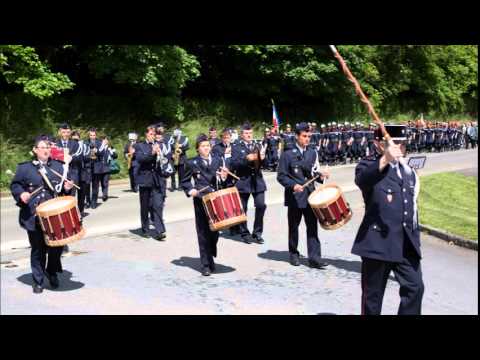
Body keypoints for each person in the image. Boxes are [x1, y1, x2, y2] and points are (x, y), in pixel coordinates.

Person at [353, 124, 424, 315]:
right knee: (372, 298)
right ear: (378, 144)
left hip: (405, 244)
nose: (399, 147)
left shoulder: (408, 171)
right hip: (378, 243)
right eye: (394, 143)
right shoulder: (370, 165)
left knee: (415, 288)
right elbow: (362, 180)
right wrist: (385, 159)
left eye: (402, 143)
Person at [10, 135, 75, 293]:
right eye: (43, 147)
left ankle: (51, 271)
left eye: (48, 147)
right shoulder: (25, 168)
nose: (46, 150)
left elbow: (65, 187)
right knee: (38, 249)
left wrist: (68, 187)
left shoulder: (59, 167)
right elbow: (16, 185)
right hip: (34, 215)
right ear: (35, 150)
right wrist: (21, 194)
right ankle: (38, 280)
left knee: (56, 248)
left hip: (54, 215)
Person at [277, 123, 330, 268]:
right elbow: (281, 176)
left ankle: (315, 258)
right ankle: (293, 254)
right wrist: (293, 185)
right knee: (294, 227)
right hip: (294, 196)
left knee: (312, 227)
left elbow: (314, 173)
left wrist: (322, 176)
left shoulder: (312, 152)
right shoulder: (287, 154)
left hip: (310, 196)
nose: (307, 139)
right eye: (304, 136)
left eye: (309, 136)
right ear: (297, 136)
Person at [181, 134, 232, 276]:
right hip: (201, 200)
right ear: (198, 149)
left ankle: (210, 254)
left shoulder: (217, 160)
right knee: (203, 232)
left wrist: (223, 177)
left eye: (208, 146)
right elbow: (184, 181)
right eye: (203, 146)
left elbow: (222, 180)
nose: (206, 148)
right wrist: (190, 190)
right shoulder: (192, 163)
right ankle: (206, 264)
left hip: (215, 199)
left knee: (215, 232)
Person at [231, 123, 267, 244]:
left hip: (257, 180)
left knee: (261, 205)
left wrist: (263, 159)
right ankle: (244, 233)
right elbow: (234, 164)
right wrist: (246, 159)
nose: (249, 135)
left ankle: (257, 233)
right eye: (246, 133)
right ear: (242, 134)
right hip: (244, 180)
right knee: (243, 208)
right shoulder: (236, 146)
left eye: (250, 133)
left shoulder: (257, 145)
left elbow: (264, 165)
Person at [134, 125, 172, 240]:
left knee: (158, 205)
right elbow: (141, 159)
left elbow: (167, 158)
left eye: (154, 134)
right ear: (146, 134)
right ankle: (145, 228)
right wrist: (153, 153)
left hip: (157, 179)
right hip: (145, 179)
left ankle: (160, 230)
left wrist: (162, 155)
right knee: (145, 206)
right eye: (150, 134)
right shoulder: (139, 146)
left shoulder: (160, 145)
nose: (152, 136)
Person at [168, 127, 189, 192]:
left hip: (181, 158)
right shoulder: (171, 139)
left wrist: (181, 148)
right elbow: (169, 148)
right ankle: (173, 186)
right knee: (172, 173)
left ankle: (180, 186)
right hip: (173, 158)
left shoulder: (184, 138)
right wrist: (172, 154)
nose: (175, 132)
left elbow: (187, 147)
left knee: (181, 173)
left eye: (177, 131)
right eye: (174, 131)